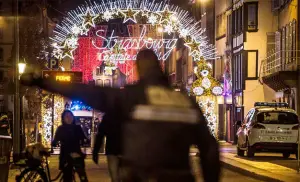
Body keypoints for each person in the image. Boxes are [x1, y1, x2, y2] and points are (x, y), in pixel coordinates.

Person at [21, 49, 221, 182]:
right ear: (161, 68)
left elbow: (85, 91)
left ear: (138, 69)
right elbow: (210, 148)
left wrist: (42, 81)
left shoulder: (130, 97)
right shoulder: (186, 102)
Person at [52, 110, 88, 182]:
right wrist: (54, 143)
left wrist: (85, 141)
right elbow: (55, 141)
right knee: (67, 177)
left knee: (83, 176)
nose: (69, 118)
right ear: (63, 118)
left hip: (77, 155)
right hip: (66, 157)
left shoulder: (77, 128)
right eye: (66, 116)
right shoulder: (61, 129)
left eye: (70, 116)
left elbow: (84, 138)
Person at [93, 112, 122, 182]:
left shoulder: (109, 116)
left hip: (114, 150)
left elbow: (100, 134)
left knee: (116, 178)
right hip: (116, 150)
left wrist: (95, 151)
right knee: (118, 177)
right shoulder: (126, 113)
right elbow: (101, 134)